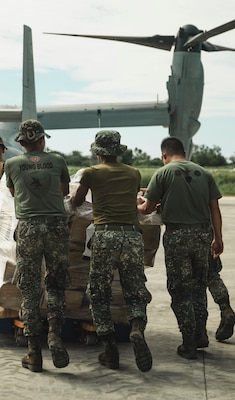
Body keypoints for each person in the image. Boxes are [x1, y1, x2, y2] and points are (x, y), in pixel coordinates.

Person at [72, 130, 153, 372]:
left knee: (98, 293)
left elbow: (77, 201)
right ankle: (137, 329)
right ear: (119, 151)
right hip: (131, 236)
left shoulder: (91, 173)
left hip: (105, 235)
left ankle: (110, 350)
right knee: (135, 290)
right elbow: (133, 200)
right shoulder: (133, 173)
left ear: (98, 152)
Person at [138, 137, 223, 360]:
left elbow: (146, 209)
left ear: (163, 155)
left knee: (180, 289)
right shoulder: (204, 173)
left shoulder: (163, 173)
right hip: (204, 235)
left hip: (177, 237)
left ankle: (188, 343)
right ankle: (201, 334)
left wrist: (134, 201)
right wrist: (218, 238)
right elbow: (215, 208)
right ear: (184, 152)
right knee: (198, 286)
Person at [3, 119, 71, 373]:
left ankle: (34, 353)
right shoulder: (58, 161)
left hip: (29, 227)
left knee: (30, 289)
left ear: (22, 143)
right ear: (42, 140)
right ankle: (54, 334)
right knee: (55, 283)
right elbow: (64, 190)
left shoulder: (11, 164)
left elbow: (12, 192)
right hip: (56, 226)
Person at [207, 256, 235, 342]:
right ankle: (225, 308)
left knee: (188, 280)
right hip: (206, 243)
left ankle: (198, 331)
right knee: (211, 274)